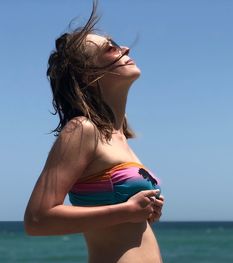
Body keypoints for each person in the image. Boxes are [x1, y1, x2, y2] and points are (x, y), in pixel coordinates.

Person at [24, 2, 164, 262]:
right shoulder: (82, 130)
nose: (126, 48)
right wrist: (126, 211)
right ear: (89, 74)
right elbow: (37, 219)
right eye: (110, 49)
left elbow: (118, 223)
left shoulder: (119, 136)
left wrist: (142, 213)